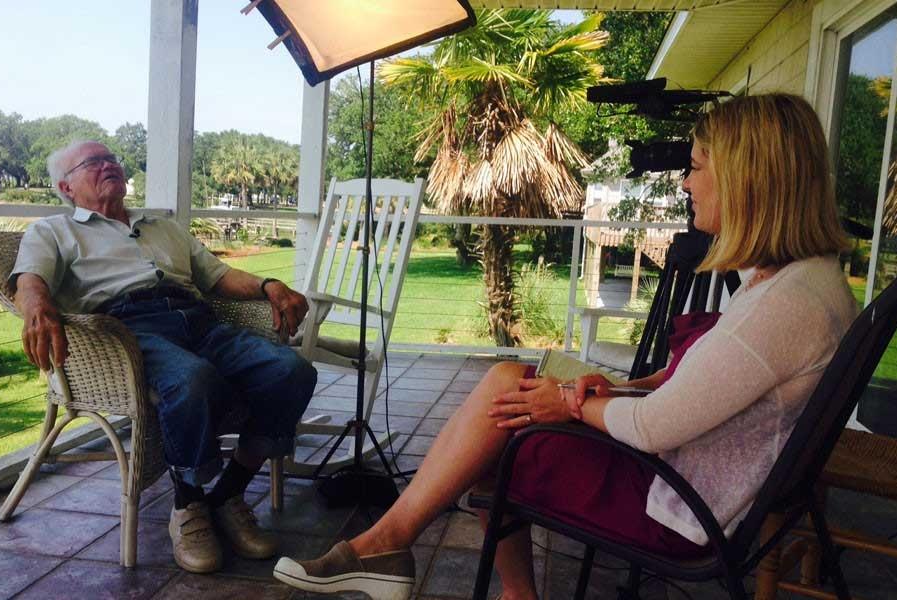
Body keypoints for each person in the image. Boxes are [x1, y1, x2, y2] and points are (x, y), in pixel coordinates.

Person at [272, 93, 859, 600]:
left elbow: (653, 427)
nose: (686, 182)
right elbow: (705, 387)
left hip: (680, 508)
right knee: (508, 389)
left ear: (747, 179)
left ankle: (398, 550)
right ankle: (394, 547)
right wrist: (617, 389)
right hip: (695, 476)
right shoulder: (803, 282)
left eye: (698, 167)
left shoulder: (786, 307)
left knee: (501, 429)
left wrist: (570, 404)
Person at [10, 140, 318, 574]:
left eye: (112, 159)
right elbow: (29, 280)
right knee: (192, 380)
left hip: (200, 321)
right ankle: (188, 505)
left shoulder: (162, 226)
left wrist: (269, 285)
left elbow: (218, 276)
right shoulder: (54, 231)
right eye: (94, 162)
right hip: (128, 331)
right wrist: (37, 306)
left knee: (292, 371)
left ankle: (228, 494)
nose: (109, 165)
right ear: (66, 186)